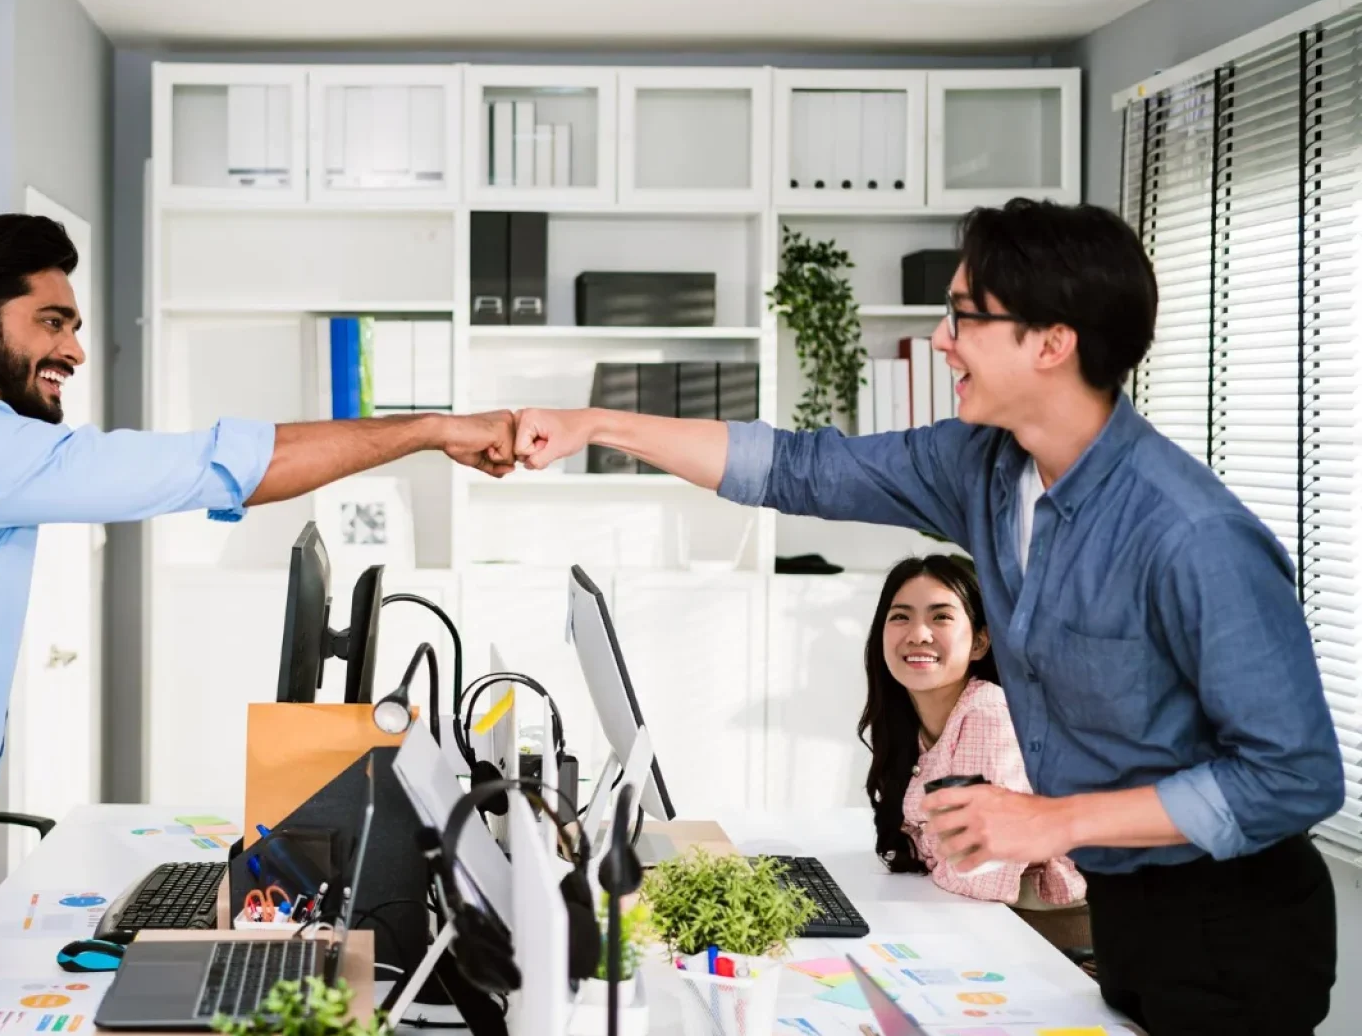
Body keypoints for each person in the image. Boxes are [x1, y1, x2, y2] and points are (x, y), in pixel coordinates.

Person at [514, 198, 1342, 1034]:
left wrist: (1050, 820)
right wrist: (593, 424)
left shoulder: (1192, 535)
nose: (942, 339)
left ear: (1053, 342)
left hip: (1234, 926)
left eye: (966, 317)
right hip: (1126, 912)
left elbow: (1293, 776)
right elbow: (799, 468)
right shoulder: (984, 468)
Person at [0, 212, 519, 1036]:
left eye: (73, 325)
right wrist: (430, 429)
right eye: (52, 321)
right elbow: (214, 464)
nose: (73, 350)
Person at [859, 554, 1087, 944]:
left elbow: (979, 876)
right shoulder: (911, 723)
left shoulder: (986, 713)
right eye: (900, 617)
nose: (918, 633)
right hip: (977, 918)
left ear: (980, 641)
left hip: (1040, 930)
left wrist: (931, 844)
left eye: (940, 617)